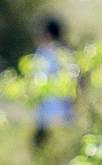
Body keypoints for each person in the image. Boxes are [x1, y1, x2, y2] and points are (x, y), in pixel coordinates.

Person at [28, 14, 77, 145]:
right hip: (45, 111)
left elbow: (72, 81)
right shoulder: (42, 52)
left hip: (60, 110)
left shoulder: (60, 54)